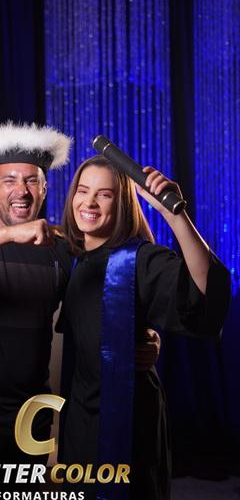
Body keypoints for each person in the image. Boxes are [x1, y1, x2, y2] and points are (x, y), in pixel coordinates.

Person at [0, 123, 161, 500]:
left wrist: (142, 336)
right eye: (9, 180)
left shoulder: (61, 249)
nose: (22, 190)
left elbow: (103, 299)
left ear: (44, 189)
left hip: (33, 419)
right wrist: (9, 234)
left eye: (32, 180)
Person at [59, 155, 231, 500]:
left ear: (122, 203)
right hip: (79, 412)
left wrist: (174, 213)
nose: (89, 202)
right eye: (83, 190)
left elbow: (206, 294)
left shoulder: (137, 259)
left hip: (128, 418)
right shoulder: (70, 255)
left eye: (104, 194)